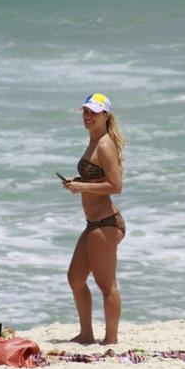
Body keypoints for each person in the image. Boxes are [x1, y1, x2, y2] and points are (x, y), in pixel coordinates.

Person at [60, 93, 126, 345]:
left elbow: (116, 185)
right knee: (75, 278)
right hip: (92, 224)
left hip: (106, 223)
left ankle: (111, 339)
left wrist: (83, 188)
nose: (88, 117)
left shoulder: (106, 145)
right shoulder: (93, 141)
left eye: (93, 113)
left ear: (106, 116)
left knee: (106, 284)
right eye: (85, 112)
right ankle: (86, 333)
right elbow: (98, 179)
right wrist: (78, 182)